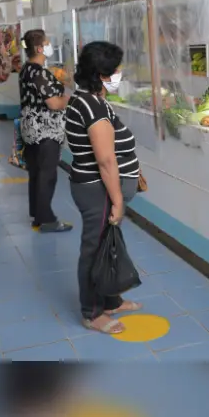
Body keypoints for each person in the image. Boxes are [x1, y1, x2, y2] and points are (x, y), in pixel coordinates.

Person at [65, 41, 142, 335]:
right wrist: (118, 199)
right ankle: (92, 312)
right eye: (114, 70)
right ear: (100, 74)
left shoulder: (87, 99)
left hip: (99, 187)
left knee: (106, 242)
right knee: (94, 248)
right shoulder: (92, 105)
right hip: (97, 188)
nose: (119, 73)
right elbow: (106, 160)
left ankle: (110, 300)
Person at [19, 29, 73, 233]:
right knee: (47, 174)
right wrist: (70, 99)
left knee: (36, 172)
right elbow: (53, 103)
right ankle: (47, 219)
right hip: (45, 130)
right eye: (48, 42)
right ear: (40, 48)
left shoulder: (27, 69)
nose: (51, 45)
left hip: (30, 128)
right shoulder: (39, 72)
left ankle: (37, 214)